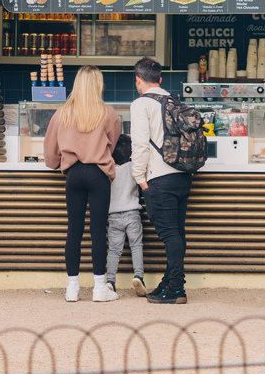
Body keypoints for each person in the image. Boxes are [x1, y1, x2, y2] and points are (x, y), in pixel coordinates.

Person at [44, 65, 123, 302]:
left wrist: (58, 161)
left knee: (74, 230)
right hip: (98, 174)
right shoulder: (108, 113)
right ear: (98, 85)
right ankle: (99, 288)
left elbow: (50, 154)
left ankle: (72, 288)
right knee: (98, 230)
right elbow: (113, 144)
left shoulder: (62, 113)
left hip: (74, 174)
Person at [131, 56, 192, 305]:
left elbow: (140, 145)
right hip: (182, 175)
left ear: (138, 80)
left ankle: (176, 288)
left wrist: (140, 178)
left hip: (159, 177)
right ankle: (169, 282)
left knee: (169, 235)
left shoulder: (141, 104)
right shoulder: (174, 101)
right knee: (176, 232)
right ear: (160, 78)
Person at [105, 133, 147, 297]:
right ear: (130, 152)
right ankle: (138, 276)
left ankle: (110, 281)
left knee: (114, 250)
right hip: (132, 213)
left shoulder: (109, 171)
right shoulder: (133, 167)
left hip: (114, 215)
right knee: (136, 246)